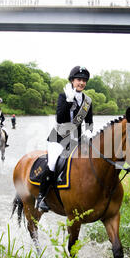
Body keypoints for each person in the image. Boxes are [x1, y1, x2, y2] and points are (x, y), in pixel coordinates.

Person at [36, 66, 94, 212]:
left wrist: (88, 132)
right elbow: (60, 118)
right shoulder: (63, 96)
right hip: (58, 138)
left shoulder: (87, 101)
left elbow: (89, 122)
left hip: (77, 139)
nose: (81, 83)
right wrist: (69, 101)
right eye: (78, 80)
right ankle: (41, 197)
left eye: (84, 80)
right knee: (53, 164)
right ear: (72, 81)